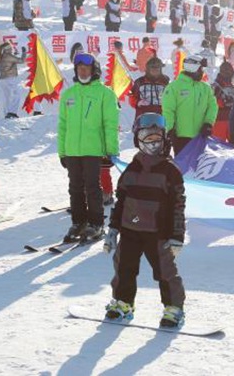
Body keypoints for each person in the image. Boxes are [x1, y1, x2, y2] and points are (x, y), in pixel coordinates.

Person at [102, 113, 187, 328]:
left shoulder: (170, 171)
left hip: (158, 233)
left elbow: (178, 205)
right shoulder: (132, 169)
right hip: (130, 230)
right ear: (137, 140)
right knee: (123, 268)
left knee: (165, 272)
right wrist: (112, 229)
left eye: (157, 138)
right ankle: (123, 303)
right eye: (147, 138)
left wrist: (177, 236)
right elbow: (120, 201)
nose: (153, 143)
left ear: (164, 139)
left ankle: (173, 307)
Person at [58, 53, 120, 243]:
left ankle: (96, 223)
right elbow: (62, 125)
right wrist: (62, 151)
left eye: (86, 68)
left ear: (94, 70)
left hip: (93, 149)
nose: (83, 71)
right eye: (79, 69)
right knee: (75, 188)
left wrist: (111, 150)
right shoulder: (69, 94)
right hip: (72, 150)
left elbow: (111, 124)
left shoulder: (105, 93)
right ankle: (79, 222)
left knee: (93, 188)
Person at [162, 54, 218, 156]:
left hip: (201, 136)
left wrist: (208, 123)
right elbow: (168, 110)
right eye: (200, 69)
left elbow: (212, 106)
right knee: (182, 169)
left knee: (200, 169)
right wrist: (170, 129)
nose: (202, 72)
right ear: (193, 68)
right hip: (181, 137)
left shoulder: (205, 88)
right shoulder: (174, 87)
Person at [0, 42, 27, 119]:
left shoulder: (3, 56)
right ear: (8, 49)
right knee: (17, 93)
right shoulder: (9, 56)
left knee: (7, 97)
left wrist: (15, 54)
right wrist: (24, 53)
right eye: (11, 47)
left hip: (3, 79)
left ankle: (7, 113)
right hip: (10, 78)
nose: (12, 48)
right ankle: (12, 112)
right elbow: (21, 61)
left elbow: (12, 59)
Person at [211, 62, 234, 142]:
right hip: (219, 119)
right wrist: (222, 103)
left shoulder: (232, 85)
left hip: (232, 120)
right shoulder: (216, 85)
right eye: (227, 71)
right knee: (218, 147)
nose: (229, 73)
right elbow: (211, 102)